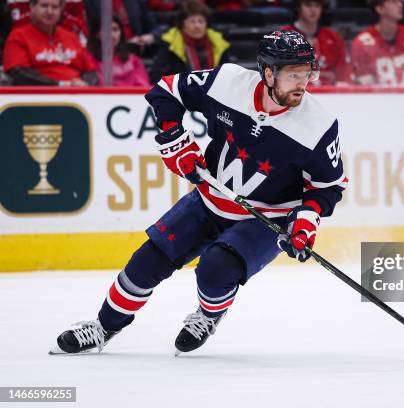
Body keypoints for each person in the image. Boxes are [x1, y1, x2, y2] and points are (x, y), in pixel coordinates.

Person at [51, 30, 347, 355]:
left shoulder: (318, 124)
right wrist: (174, 140)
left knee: (216, 268)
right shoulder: (228, 83)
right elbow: (165, 91)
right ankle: (103, 327)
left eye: (307, 74)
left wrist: (305, 222)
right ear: (268, 73)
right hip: (207, 201)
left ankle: (209, 315)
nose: (302, 83)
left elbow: (327, 187)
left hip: (264, 219)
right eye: (294, 75)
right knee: (145, 264)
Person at [3, 0, 97, 86]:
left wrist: (85, 85)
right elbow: (19, 74)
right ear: (32, 7)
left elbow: (90, 71)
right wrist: (60, 84)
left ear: (61, 10)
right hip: (39, 99)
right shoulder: (18, 36)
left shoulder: (71, 37)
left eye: (54, 7)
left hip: (78, 98)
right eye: (44, 6)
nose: (49, 12)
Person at [351, 0, 404, 86]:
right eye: (394, 1)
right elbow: (362, 82)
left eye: (400, 1)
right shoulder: (362, 43)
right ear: (380, 9)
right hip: (378, 98)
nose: (400, 5)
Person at [149, 0, 229, 83]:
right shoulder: (170, 43)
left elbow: (228, 75)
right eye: (192, 21)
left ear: (206, 24)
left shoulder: (219, 42)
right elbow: (156, 76)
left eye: (201, 21)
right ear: (183, 24)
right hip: (180, 92)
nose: (197, 26)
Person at [282, 0, 351, 86]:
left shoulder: (333, 37)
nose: (313, 10)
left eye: (317, 6)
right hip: (294, 92)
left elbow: (344, 67)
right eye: (308, 5)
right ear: (298, 7)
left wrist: (343, 82)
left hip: (330, 94)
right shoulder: (283, 36)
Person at [88, 15, 150, 86]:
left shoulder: (134, 61)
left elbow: (143, 87)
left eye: (115, 29)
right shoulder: (88, 60)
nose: (112, 34)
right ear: (96, 34)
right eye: (106, 30)